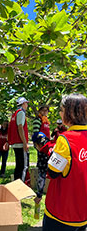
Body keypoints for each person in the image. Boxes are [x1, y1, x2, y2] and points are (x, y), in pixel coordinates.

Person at [43, 94, 87, 231]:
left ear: (69, 113)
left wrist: (51, 151)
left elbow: (53, 172)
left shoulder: (65, 139)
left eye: (61, 110)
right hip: (83, 213)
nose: (60, 114)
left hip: (61, 212)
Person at [8, 97, 29, 181]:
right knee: (24, 166)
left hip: (15, 143)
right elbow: (20, 127)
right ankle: (21, 186)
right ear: (23, 104)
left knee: (18, 166)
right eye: (26, 103)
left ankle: (16, 185)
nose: (27, 105)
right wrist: (25, 143)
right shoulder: (21, 113)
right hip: (20, 143)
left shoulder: (14, 114)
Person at [32, 105, 50, 204]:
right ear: (40, 111)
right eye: (43, 110)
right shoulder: (37, 120)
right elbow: (36, 135)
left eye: (46, 110)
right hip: (42, 147)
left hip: (47, 146)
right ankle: (39, 193)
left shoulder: (46, 120)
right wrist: (39, 147)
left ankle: (43, 190)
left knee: (47, 168)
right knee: (42, 169)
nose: (45, 112)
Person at [32, 132, 55, 205]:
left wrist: (39, 195)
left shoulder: (43, 152)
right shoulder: (53, 145)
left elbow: (41, 176)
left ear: (37, 144)